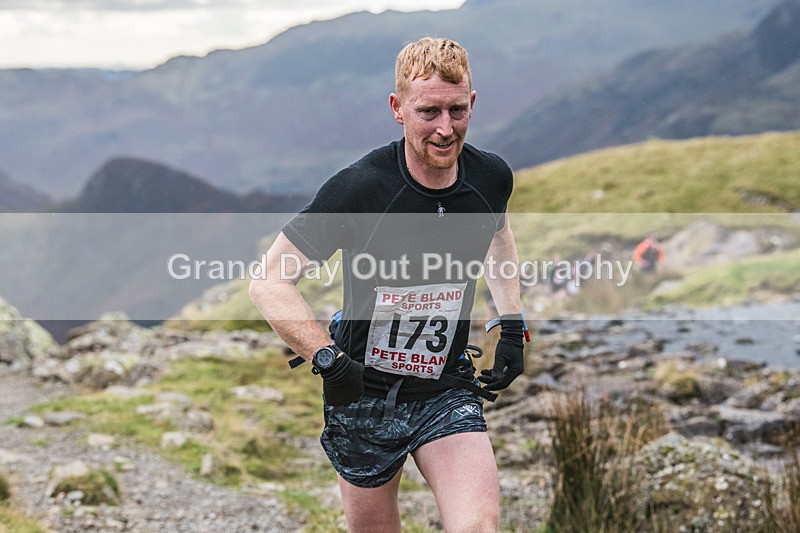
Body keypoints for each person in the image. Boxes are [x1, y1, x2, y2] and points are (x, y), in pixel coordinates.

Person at [249, 37, 526, 533]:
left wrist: (511, 324)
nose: (446, 129)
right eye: (429, 112)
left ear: (473, 103)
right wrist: (327, 360)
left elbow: (498, 235)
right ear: (398, 108)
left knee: (478, 526)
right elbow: (268, 281)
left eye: (457, 111)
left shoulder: (490, 177)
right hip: (361, 392)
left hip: (446, 385)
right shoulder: (359, 189)